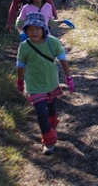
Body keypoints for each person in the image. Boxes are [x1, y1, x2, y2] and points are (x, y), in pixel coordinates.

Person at [16, 11, 74, 155]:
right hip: (34, 86)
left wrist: (68, 78)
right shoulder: (24, 46)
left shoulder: (53, 42)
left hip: (51, 83)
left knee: (52, 108)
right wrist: (19, 80)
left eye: (37, 29)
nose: (33, 32)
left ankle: (52, 123)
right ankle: (49, 141)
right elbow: (20, 65)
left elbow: (63, 59)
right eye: (30, 29)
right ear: (25, 31)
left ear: (43, 29)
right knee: (41, 112)